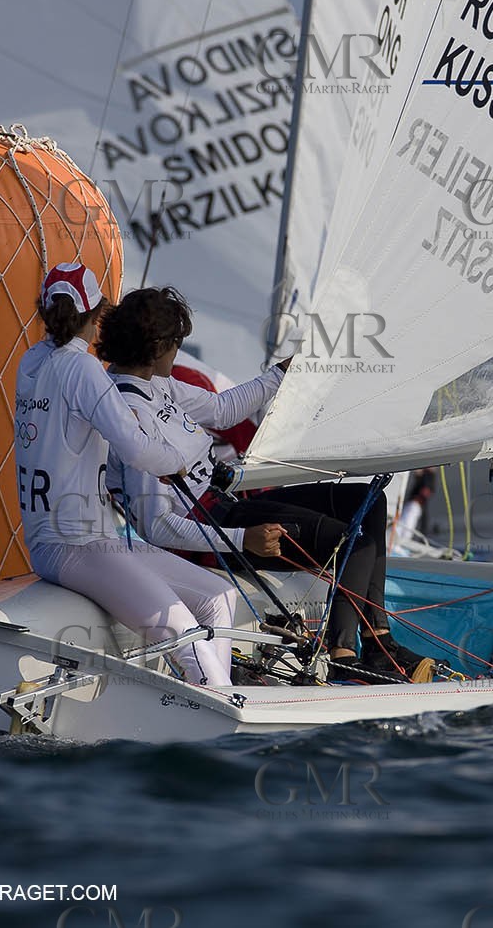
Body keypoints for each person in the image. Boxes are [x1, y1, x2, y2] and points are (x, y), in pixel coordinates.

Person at [99, 287, 436, 684]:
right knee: (353, 540)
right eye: (176, 343)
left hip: (223, 505)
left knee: (368, 500)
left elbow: (223, 410)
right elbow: (157, 526)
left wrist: (284, 371)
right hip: (209, 530)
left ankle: (377, 642)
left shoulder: (157, 384)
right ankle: (345, 654)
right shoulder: (130, 413)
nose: (178, 351)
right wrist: (243, 538)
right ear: (155, 347)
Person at [14, 262, 237, 687]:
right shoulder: (81, 370)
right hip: (75, 546)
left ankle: (207, 706)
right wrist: (176, 463)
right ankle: (225, 723)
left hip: (82, 542)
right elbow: (135, 447)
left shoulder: (32, 361)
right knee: (189, 637)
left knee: (218, 596)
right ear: (96, 316)